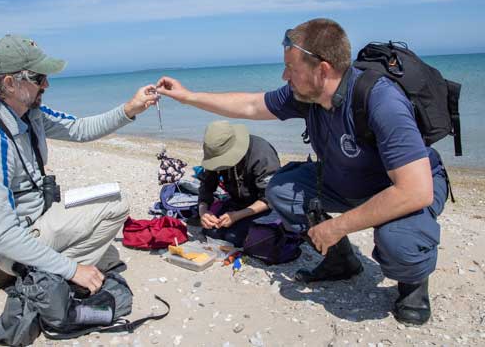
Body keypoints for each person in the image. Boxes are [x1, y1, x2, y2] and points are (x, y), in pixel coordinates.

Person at [157, 19, 449, 325]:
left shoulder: (381, 100)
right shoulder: (305, 95)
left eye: (290, 68)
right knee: (281, 190)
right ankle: (341, 262)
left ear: (322, 70)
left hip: (405, 186)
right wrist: (187, 96)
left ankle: (414, 286)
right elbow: (251, 105)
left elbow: (415, 190)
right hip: (347, 180)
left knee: (398, 241)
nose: (285, 76)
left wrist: (337, 227)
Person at [0, 34, 158, 295]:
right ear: (10, 83)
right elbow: (2, 235)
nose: (47, 84)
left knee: (110, 203)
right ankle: (26, 273)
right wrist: (73, 270)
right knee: (118, 205)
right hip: (13, 245)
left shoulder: (29, 113)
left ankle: (45, 263)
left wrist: (131, 108)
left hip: (38, 222)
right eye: (39, 78)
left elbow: (78, 129)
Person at [197, 120, 280, 247]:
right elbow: (207, 186)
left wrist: (237, 216)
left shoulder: (261, 153)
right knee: (211, 232)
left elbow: (270, 197)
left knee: (233, 238)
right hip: (236, 202)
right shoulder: (215, 150)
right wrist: (203, 212)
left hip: (262, 205)